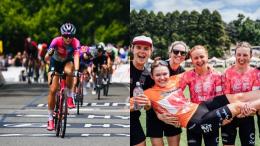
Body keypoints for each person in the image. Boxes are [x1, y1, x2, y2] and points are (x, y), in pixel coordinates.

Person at [140, 60, 260, 144]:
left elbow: (197, 68)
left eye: (164, 74)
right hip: (195, 122)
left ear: (169, 74)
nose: (162, 77)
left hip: (201, 107)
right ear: (152, 76)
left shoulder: (174, 79)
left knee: (237, 97)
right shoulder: (148, 93)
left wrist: (208, 67)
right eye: (158, 75)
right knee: (237, 106)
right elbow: (133, 104)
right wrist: (158, 114)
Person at [146, 41, 188, 146]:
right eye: (176, 51)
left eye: (182, 53)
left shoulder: (183, 72)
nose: (179, 55)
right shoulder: (158, 67)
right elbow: (147, 96)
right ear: (170, 52)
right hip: (154, 115)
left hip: (172, 116)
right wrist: (159, 114)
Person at [179, 45, 223, 146]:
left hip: (211, 117)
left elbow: (220, 98)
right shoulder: (188, 75)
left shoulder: (217, 75)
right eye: (196, 58)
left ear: (207, 56)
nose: (199, 60)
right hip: (193, 118)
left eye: (202, 57)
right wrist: (184, 108)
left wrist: (220, 117)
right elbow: (177, 93)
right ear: (192, 60)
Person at [221, 42, 259, 146]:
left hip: (247, 115)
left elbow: (255, 97)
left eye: (245, 55)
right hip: (229, 116)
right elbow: (226, 97)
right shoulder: (227, 73)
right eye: (239, 54)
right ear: (235, 55)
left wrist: (250, 110)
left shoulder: (256, 74)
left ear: (251, 56)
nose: (241, 58)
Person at [44, 23, 80, 131]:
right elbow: (46, 59)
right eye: (65, 36)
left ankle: (69, 95)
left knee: (70, 71)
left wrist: (77, 70)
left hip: (67, 62)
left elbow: (77, 56)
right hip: (55, 63)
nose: (68, 38)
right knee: (53, 89)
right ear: (61, 35)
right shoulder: (56, 41)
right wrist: (49, 54)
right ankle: (50, 118)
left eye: (71, 36)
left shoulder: (75, 42)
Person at [130, 35, 153, 146]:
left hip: (133, 120)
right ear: (132, 48)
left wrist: (148, 103)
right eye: (138, 47)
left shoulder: (148, 77)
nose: (142, 51)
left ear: (150, 52)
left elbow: (147, 106)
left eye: (146, 49)